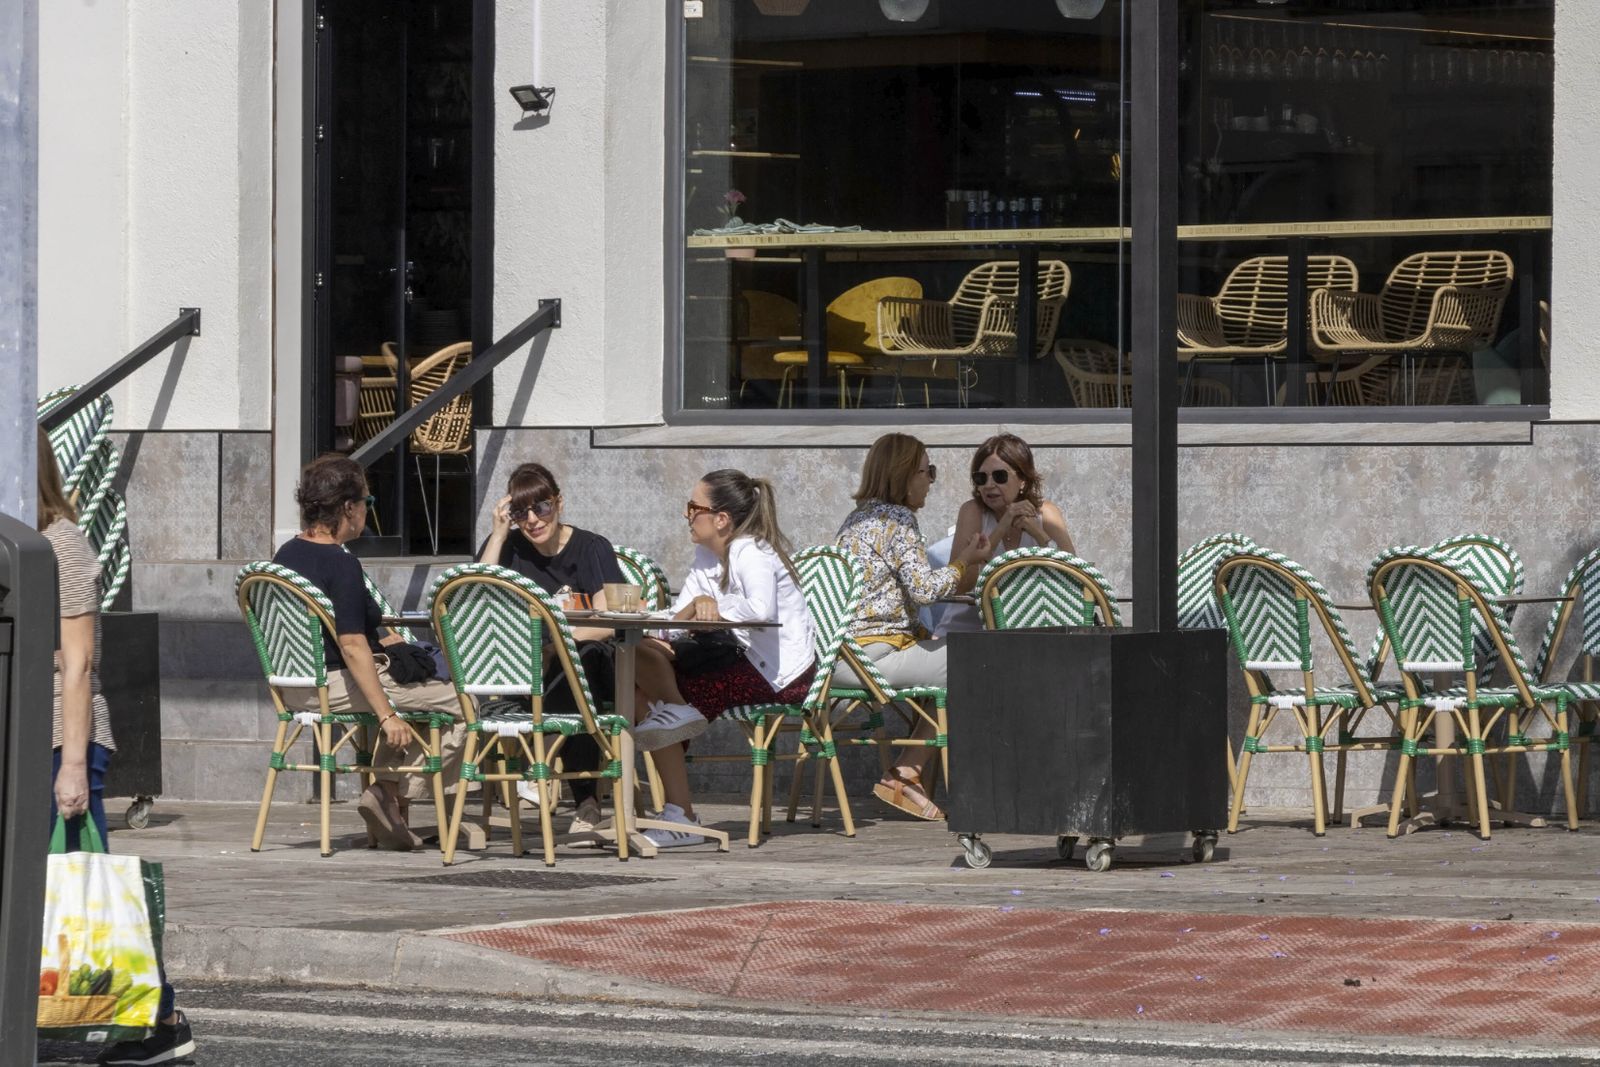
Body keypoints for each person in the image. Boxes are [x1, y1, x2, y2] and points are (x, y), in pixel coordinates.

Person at [36, 427, 196, 1065]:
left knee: (86, 884)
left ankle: (157, 1020)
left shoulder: (60, 543)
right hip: (21, 738)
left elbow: (77, 663)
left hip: (59, 739)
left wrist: (74, 766)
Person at [273, 454, 467, 850]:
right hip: (336, 684)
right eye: (368, 503)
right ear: (348, 508)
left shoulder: (285, 557)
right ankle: (390, 793)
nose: (367, 511)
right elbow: (352, 644)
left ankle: (388, 795)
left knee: (413, 691)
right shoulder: (340, 564)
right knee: (466, 705)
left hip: (291, 687)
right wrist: (387, 714)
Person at [627, 469, 816, 848]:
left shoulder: (751, 550)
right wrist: (668, 624)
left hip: (779, 673)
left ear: (721, 519)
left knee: (652, 698)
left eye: (692, 507)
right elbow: (684, 617)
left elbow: (761, 610)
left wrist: (710, 607)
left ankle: (681, 815)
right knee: (637, 662)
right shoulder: (705, 556)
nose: (686, 516)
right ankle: (679, 809)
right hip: (736, 658)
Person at [477, 461, 652, 833]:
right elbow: (477, 599)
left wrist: (559, 641)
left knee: (580, 663)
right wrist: (496, 535)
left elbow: (612, 618)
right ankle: (574, 790)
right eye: (521, 512)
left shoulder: (591, 547)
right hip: (524, 673)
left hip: (586, 666)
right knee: (560, 668)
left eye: (541, 507)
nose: (533, 520)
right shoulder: (508, 549)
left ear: (559, 502)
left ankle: (569, 783)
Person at [831, 432, 989, 821]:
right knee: (980, 659)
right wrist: (964, 561)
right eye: (927, 471)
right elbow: (923, 591)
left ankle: (908, 773)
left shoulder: (857, 520)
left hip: (840, 658)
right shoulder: (898, 519)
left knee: (947, 664)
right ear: (904, 475)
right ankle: (906, 773)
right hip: (874, 658)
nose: (931, 481)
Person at [937, 432, 1075, 634]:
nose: (989, 485)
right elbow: (961, 585)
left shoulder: (1046, 514)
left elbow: (1074, 576)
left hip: (1029, 629)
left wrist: (1037, 533)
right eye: (981, 478)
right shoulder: (972, 512)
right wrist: (1003, 525)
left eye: (999, 476)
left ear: (1023, 481)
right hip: (968, 629)